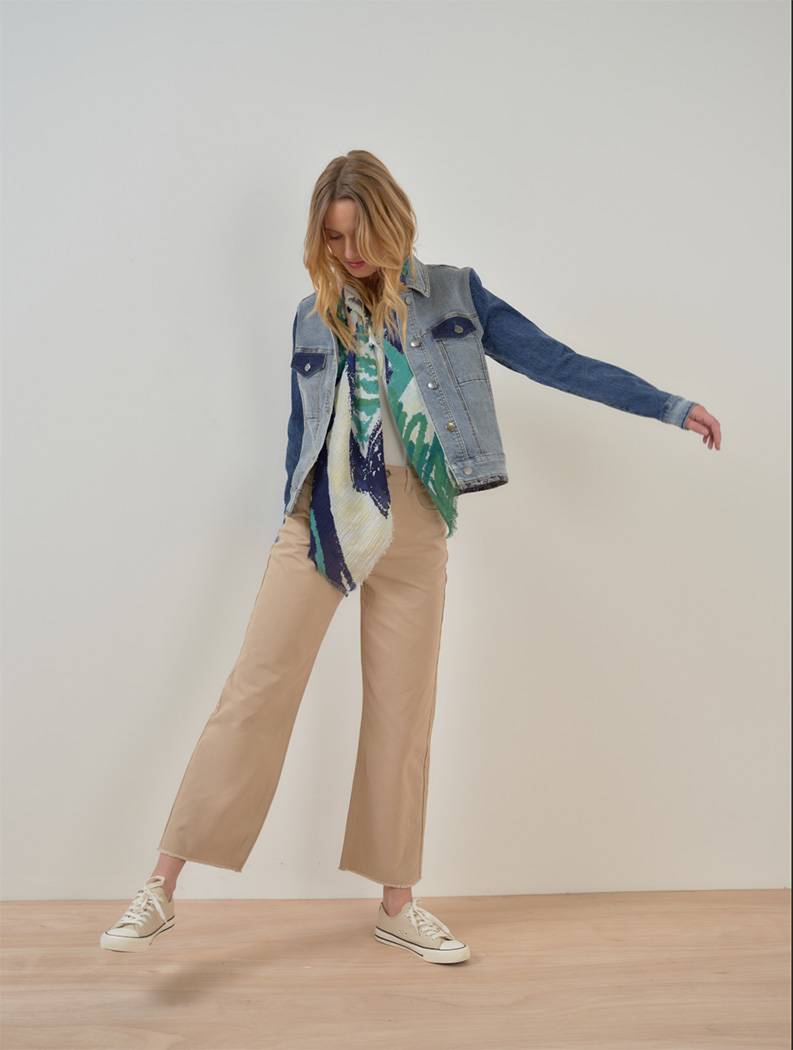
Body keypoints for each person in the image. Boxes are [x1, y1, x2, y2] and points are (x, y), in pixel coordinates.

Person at [100, 150, 721, 964]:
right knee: (254, 693)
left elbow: (554, 360)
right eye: (332, 239)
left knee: (403, 714)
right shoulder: (313, 315)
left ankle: (397, 903)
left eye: (358, 235)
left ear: (392, 222)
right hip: (324, 518)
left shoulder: (456, 294)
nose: (347, 253)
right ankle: (159, 887)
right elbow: (301, 431)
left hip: (416, 519)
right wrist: (292, 520)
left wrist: (667, 406)